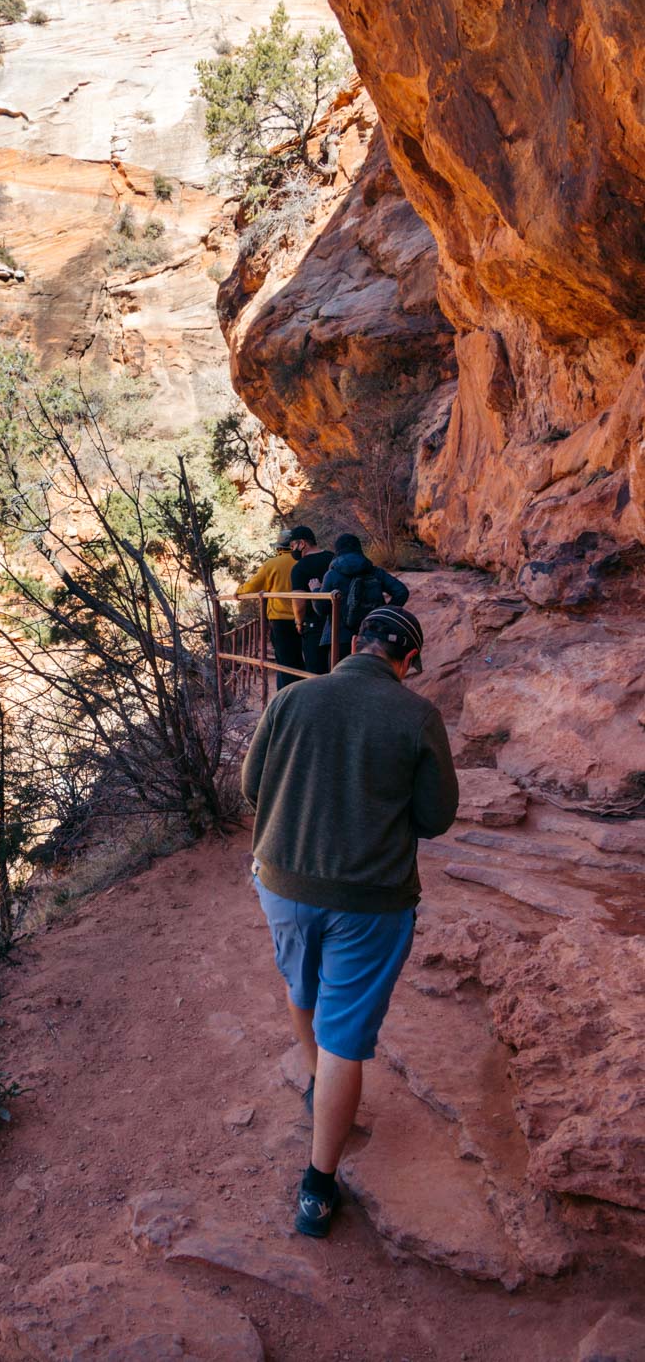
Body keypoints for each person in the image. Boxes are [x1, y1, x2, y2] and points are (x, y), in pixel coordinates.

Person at [241, 607, 458, 1238]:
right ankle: (316, 1188)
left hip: (281, 882)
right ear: (407, 660)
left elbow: (253, 787)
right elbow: (436, 817)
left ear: (353, 642)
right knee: (346, 1040)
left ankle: (314, 1082)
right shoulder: (418, 716)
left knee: (299, 984)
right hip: (370, 902)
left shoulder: (293, 698)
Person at [318, 533, 409, 666]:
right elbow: (401, 591)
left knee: (339, 682)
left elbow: (321, 609)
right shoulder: (375, 571)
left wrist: (315, 590)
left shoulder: (332, 575)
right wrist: (382, 615)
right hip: (372, 636)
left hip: (340, 638)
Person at [237, 530, 304, 689]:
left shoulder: (272, 564)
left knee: (284, 664)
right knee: (303, 660)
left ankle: (285, 697)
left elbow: (252, 586)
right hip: (305, 617)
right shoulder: (304, 562)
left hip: (281, 620)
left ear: (279, 548)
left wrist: (238, 592)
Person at [288, 527, 334, 676]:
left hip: (315, 626)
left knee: (316, 675)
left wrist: (299, 622)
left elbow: (299, 602)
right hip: (338, 623)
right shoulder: (333, 558)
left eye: (292, 545)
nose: (292, 549)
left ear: (302, 543)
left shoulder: (299, 568)